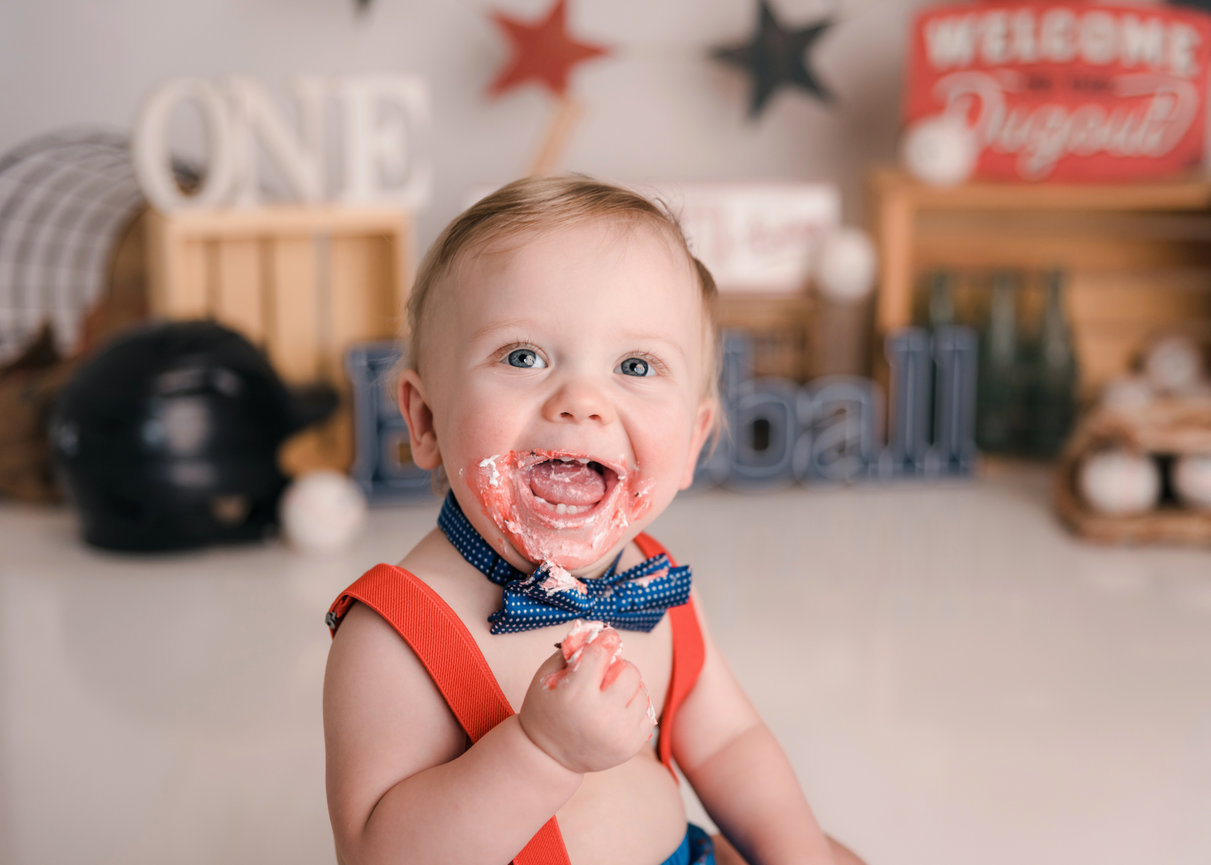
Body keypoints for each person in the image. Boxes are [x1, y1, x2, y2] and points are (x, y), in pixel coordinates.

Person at [323, 175, 865, 865]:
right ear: (424, 420)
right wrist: (539, 752)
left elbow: (729, 742)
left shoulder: (653, 584)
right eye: (523, 356)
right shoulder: (394, 634)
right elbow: (380, 856)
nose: (582, 399)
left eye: (635, 364)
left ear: (693, 443)